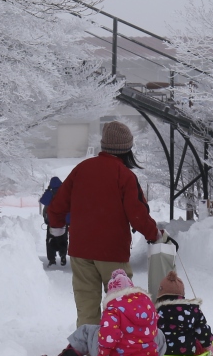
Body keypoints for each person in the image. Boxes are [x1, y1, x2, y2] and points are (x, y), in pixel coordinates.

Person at [46, 121, 162, 327]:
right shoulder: (124, 175)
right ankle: (118, 342)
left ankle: (88, 343)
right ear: (127, 148)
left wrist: (57, 229)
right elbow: (138, 214)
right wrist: (155, 236)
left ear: (103, 144)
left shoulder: (81, 169)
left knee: (86, 306)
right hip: (113, 253)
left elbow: (56, 206)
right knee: (120, 305)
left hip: (81, 251)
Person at [39, 269, 166, 356]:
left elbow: (109, 333)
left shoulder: (113, 308)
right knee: (158, 333)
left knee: (86, 331)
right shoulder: (149, 306)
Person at [154, 271, 213, 356]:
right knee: (196, 338)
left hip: (162, 353)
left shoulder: (156, 312)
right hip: (188, 352)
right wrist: (208, 345)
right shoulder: (192, 310)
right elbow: (202, 330)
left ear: (160, 295)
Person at [38, 176, 68, 266]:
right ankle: (63, 256)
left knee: (50, 240)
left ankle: (52, 259)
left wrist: (48, 190)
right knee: (64, 239)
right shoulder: (65, 192)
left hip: (51, 221)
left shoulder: (50, 193)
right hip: (63, 220)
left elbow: (43, 202)